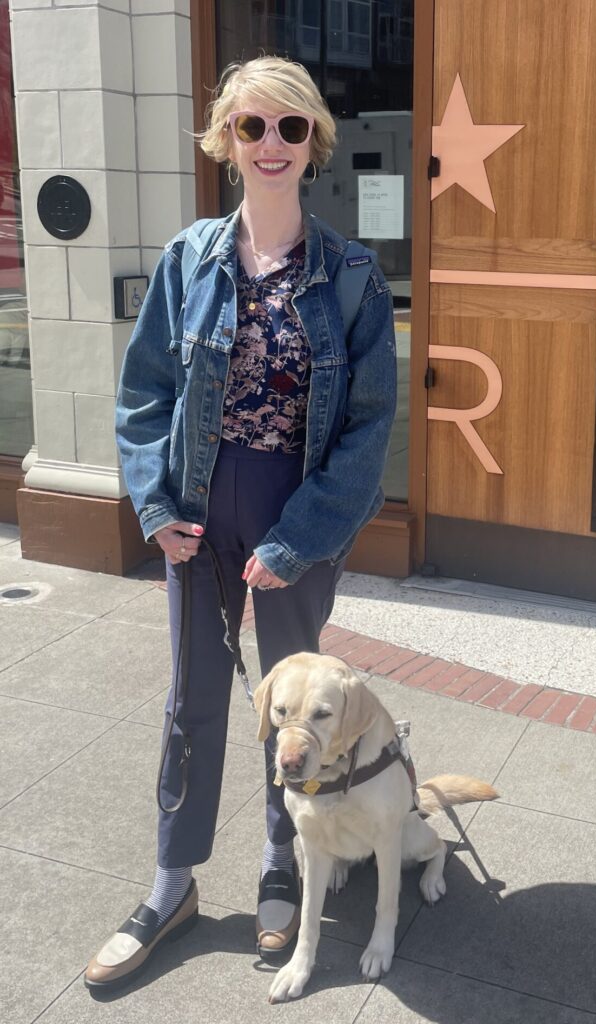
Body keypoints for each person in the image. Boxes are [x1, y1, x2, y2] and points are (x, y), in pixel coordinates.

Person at [84, 55, 397, 991]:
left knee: (292, 704)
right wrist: (154, 505)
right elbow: (145, 397)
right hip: (194, 512)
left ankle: (277, 865)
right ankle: (171, 880)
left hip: (292, 516)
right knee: (195, 700)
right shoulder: (188, 260)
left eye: (289, 128)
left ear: (314, 144)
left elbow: (368, 427)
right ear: (224, 140)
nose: (270, 143)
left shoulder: (349, 276)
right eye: (251, 126)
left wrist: (298, 537)